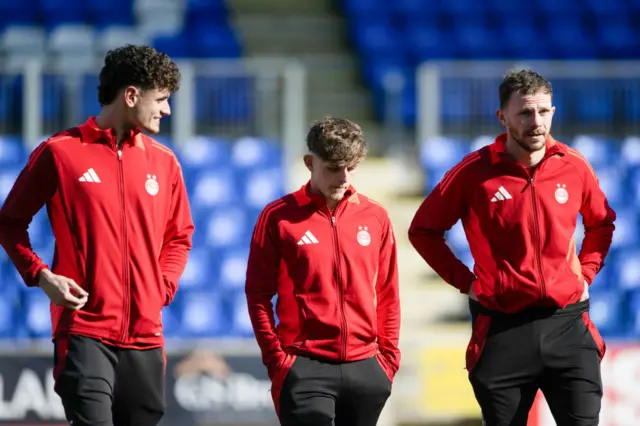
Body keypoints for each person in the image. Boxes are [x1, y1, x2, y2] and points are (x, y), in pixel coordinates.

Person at [0, 45, 194, 426]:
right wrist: (42, 276)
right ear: (132, 95)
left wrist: (161, 287)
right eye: (162, 99)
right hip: (84, 331)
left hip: (146, 336)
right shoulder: (60, 152)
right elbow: (9, 222)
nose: (167, 110)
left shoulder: (165, 162)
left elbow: (180, 237)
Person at [408, 69, 616, 426]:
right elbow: (423, 230)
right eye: (525, 113)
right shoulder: (473, 172)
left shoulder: (574, 165)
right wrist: (467, 282)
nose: (536, 122)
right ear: (502, 117)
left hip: (566, 323)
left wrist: (587, 273)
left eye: (544, 111)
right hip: (502, 329)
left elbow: (601, 223)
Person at [245, 117, 401, 426]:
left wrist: (387, 360)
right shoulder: (279, 217)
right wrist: (277, 360)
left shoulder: (376, 217)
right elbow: (258, 294)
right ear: (309, 162)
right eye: (333, 167)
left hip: (367, 367)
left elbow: (388, 293)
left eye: (351, 167)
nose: (343, 178)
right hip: (304, 367)